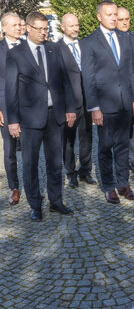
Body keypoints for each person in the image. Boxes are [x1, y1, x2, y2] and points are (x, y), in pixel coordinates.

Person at [5, 11, 77, 221]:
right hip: (29, 120)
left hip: (55, 116)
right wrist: (13, 120)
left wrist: (70, 108)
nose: (44, 32)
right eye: (40, 29)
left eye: (46, 29)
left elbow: (65, 81)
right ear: (28, 28)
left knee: (55, 163)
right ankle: (35, 205)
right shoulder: (16, 53)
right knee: (30, 164)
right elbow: (11, 90)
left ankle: (56, 201)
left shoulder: (54, 49)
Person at [81, 0, 134, 204]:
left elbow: (132, 71)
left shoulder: (126, 39)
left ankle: (123, 183)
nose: (114, 18)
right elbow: (88, 78)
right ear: (99, 16)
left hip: (125, 102)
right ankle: (109, 186)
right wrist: (94, 107)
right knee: (106, 147)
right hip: (104, 106)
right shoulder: (89, 42)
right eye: (109, 14)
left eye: (116, 14)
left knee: (123, 146)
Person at [57, 13, 96, 188]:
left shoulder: (84, 45)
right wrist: (65, 106)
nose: (76, 28)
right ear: (62, 27)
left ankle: (85, 171)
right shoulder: (56, 49)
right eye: (71, 26)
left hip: (88, 100)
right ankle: (71, 172)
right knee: (68, 140)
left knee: (87, 136)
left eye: (77, 25)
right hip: (69, 103)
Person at [116, 6, 134, 174]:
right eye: (121, 19)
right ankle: (120, 163)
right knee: (120, 131)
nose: (125, 22)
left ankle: (132, 162)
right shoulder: (112, 40)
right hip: (118, 93)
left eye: (127, 19)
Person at [0, 12, 22, 205]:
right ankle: (14, 187)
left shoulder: (28, 47)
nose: (18, 27)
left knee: (33, 149)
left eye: (20, 24)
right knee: (9, 150)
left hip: (30, 105)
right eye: (14, 25)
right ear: (4, 28)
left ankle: (34, 186)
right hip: (5, 106)